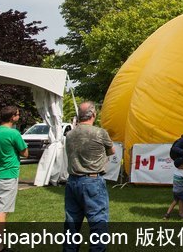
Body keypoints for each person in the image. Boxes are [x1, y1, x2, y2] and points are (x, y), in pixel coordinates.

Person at [64, 101, 114, 252]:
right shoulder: (100, 133)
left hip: (72, 181)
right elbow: (111, 151)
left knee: (71, 223)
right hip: (92, 181)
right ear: (93, 114)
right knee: (98, 222)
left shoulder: (70, 134)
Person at [0, 105, 28, 252]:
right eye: (17, 114)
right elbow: (25, 152)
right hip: (8, 175)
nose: (18, 116)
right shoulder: (13, 133)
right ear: (12, 117)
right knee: (2, 211)